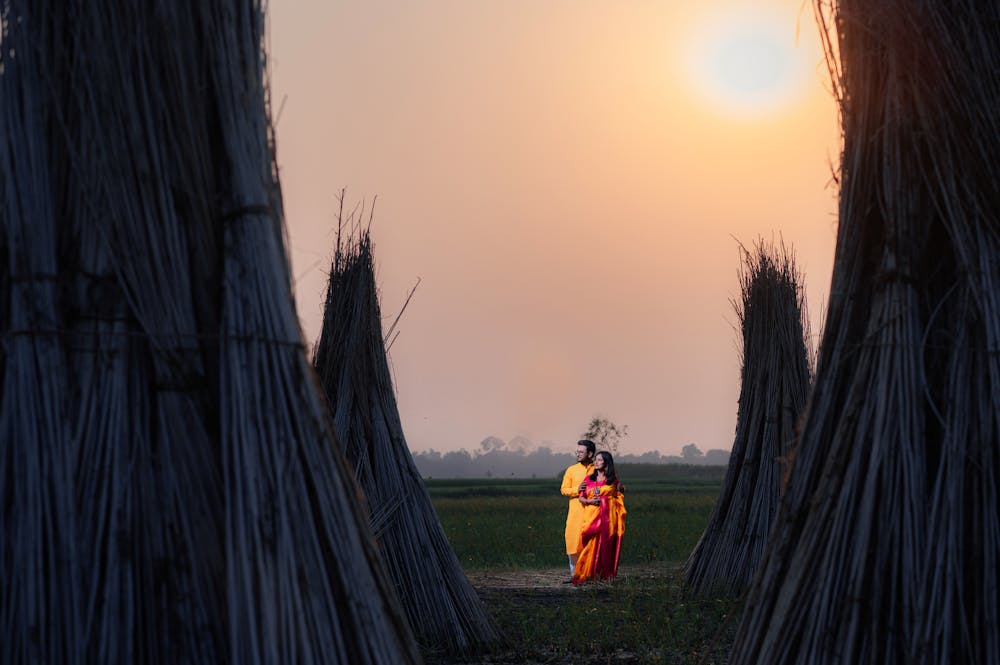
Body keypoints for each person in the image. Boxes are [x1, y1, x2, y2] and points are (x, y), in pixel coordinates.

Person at [572, 450, 626, 584]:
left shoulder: (612, 480)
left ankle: (603, 574)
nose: (596, 462)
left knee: (605, 545)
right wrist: (589, 501)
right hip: (591, 516)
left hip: (608, 518)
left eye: (600, 460)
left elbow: (619, 494)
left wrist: (619, 491)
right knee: (589, 543)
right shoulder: (588, 479)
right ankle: (587, 573)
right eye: (595, 459)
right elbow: (581, 498)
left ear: (606, 463)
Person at [560, 439, 596, 579]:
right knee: (573, 541)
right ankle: (574, 575)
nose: (578, 454)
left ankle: (590, 574)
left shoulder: (596, 468)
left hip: (593, 512)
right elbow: (563, 490)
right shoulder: (571, 470)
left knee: (591, 542)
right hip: (575, 512)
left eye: (581, 452)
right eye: (577, 451)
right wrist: (577, 489)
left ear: (590, 453)